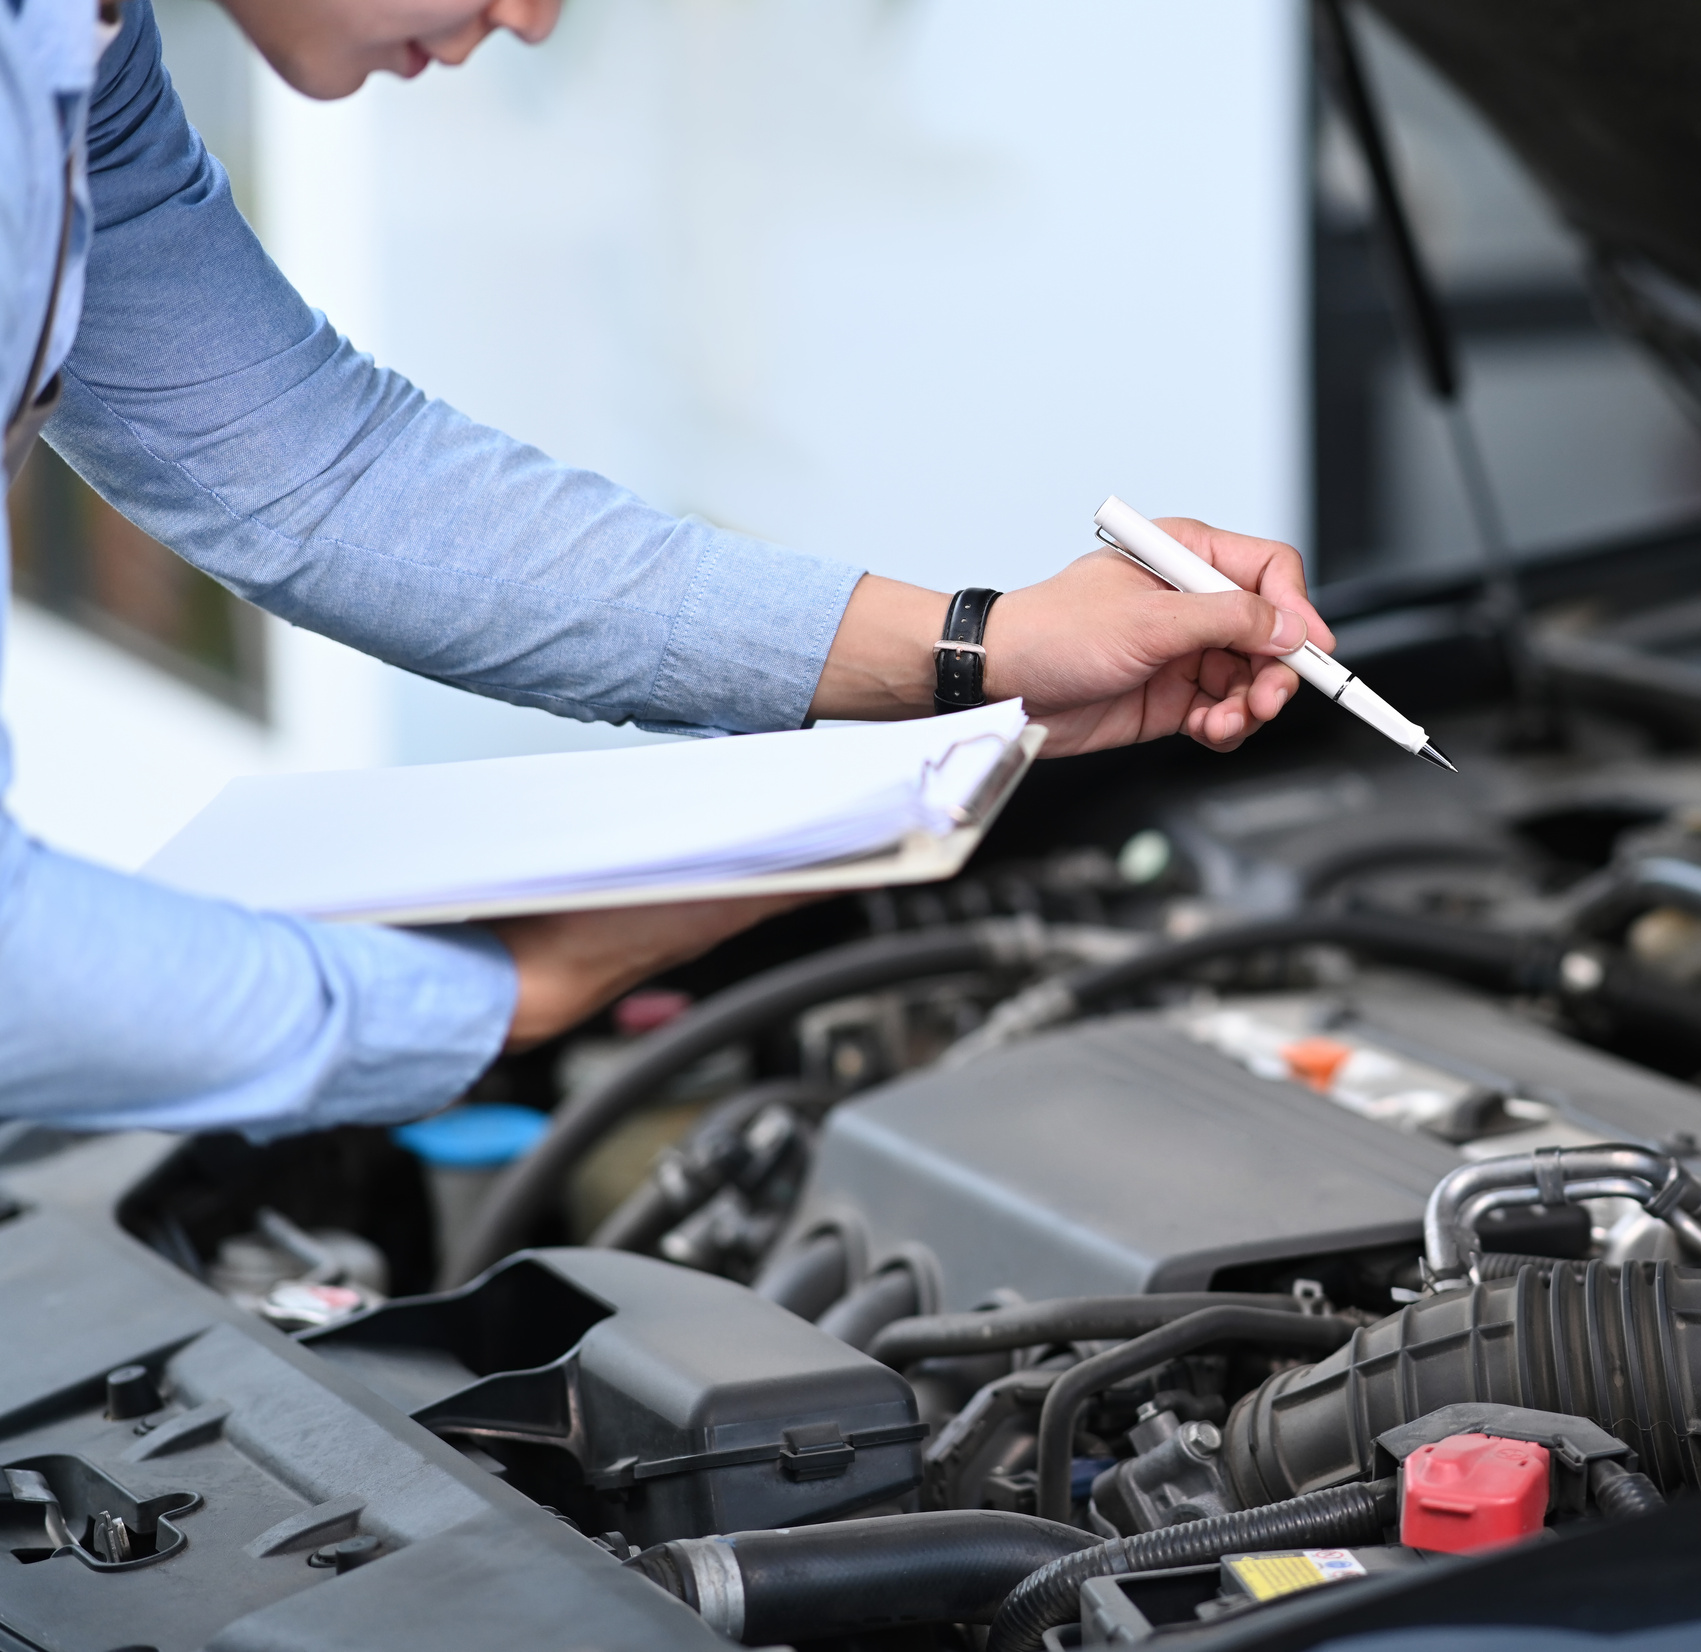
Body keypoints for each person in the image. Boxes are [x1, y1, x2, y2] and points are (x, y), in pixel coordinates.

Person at [0, 0, 1334, 1133]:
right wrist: (513, 988)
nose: (532, 17)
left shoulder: (81, 58)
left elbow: (315, 469)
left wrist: (977, 646)